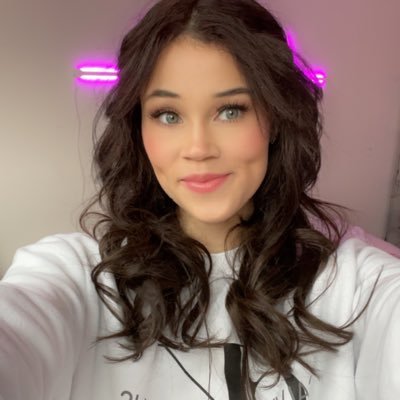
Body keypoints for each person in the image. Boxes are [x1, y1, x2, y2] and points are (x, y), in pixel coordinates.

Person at [1, 0, 399, 399]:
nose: (198, 148)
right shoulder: (78, 276)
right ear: (138, 128)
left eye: (231, 111)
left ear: (275, 118)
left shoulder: (358, 284)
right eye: (168, 115)